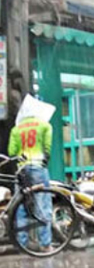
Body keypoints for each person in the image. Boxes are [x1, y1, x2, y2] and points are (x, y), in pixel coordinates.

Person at [9, 95, 55, 251]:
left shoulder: (16, 129)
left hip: (21, 170)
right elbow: (47, 148)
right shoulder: (44, 125)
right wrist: (45, 156)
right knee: (43, 205)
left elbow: (11, 151)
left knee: (20, 206)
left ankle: (22, 243)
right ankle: (45, 244)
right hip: (38, 168)